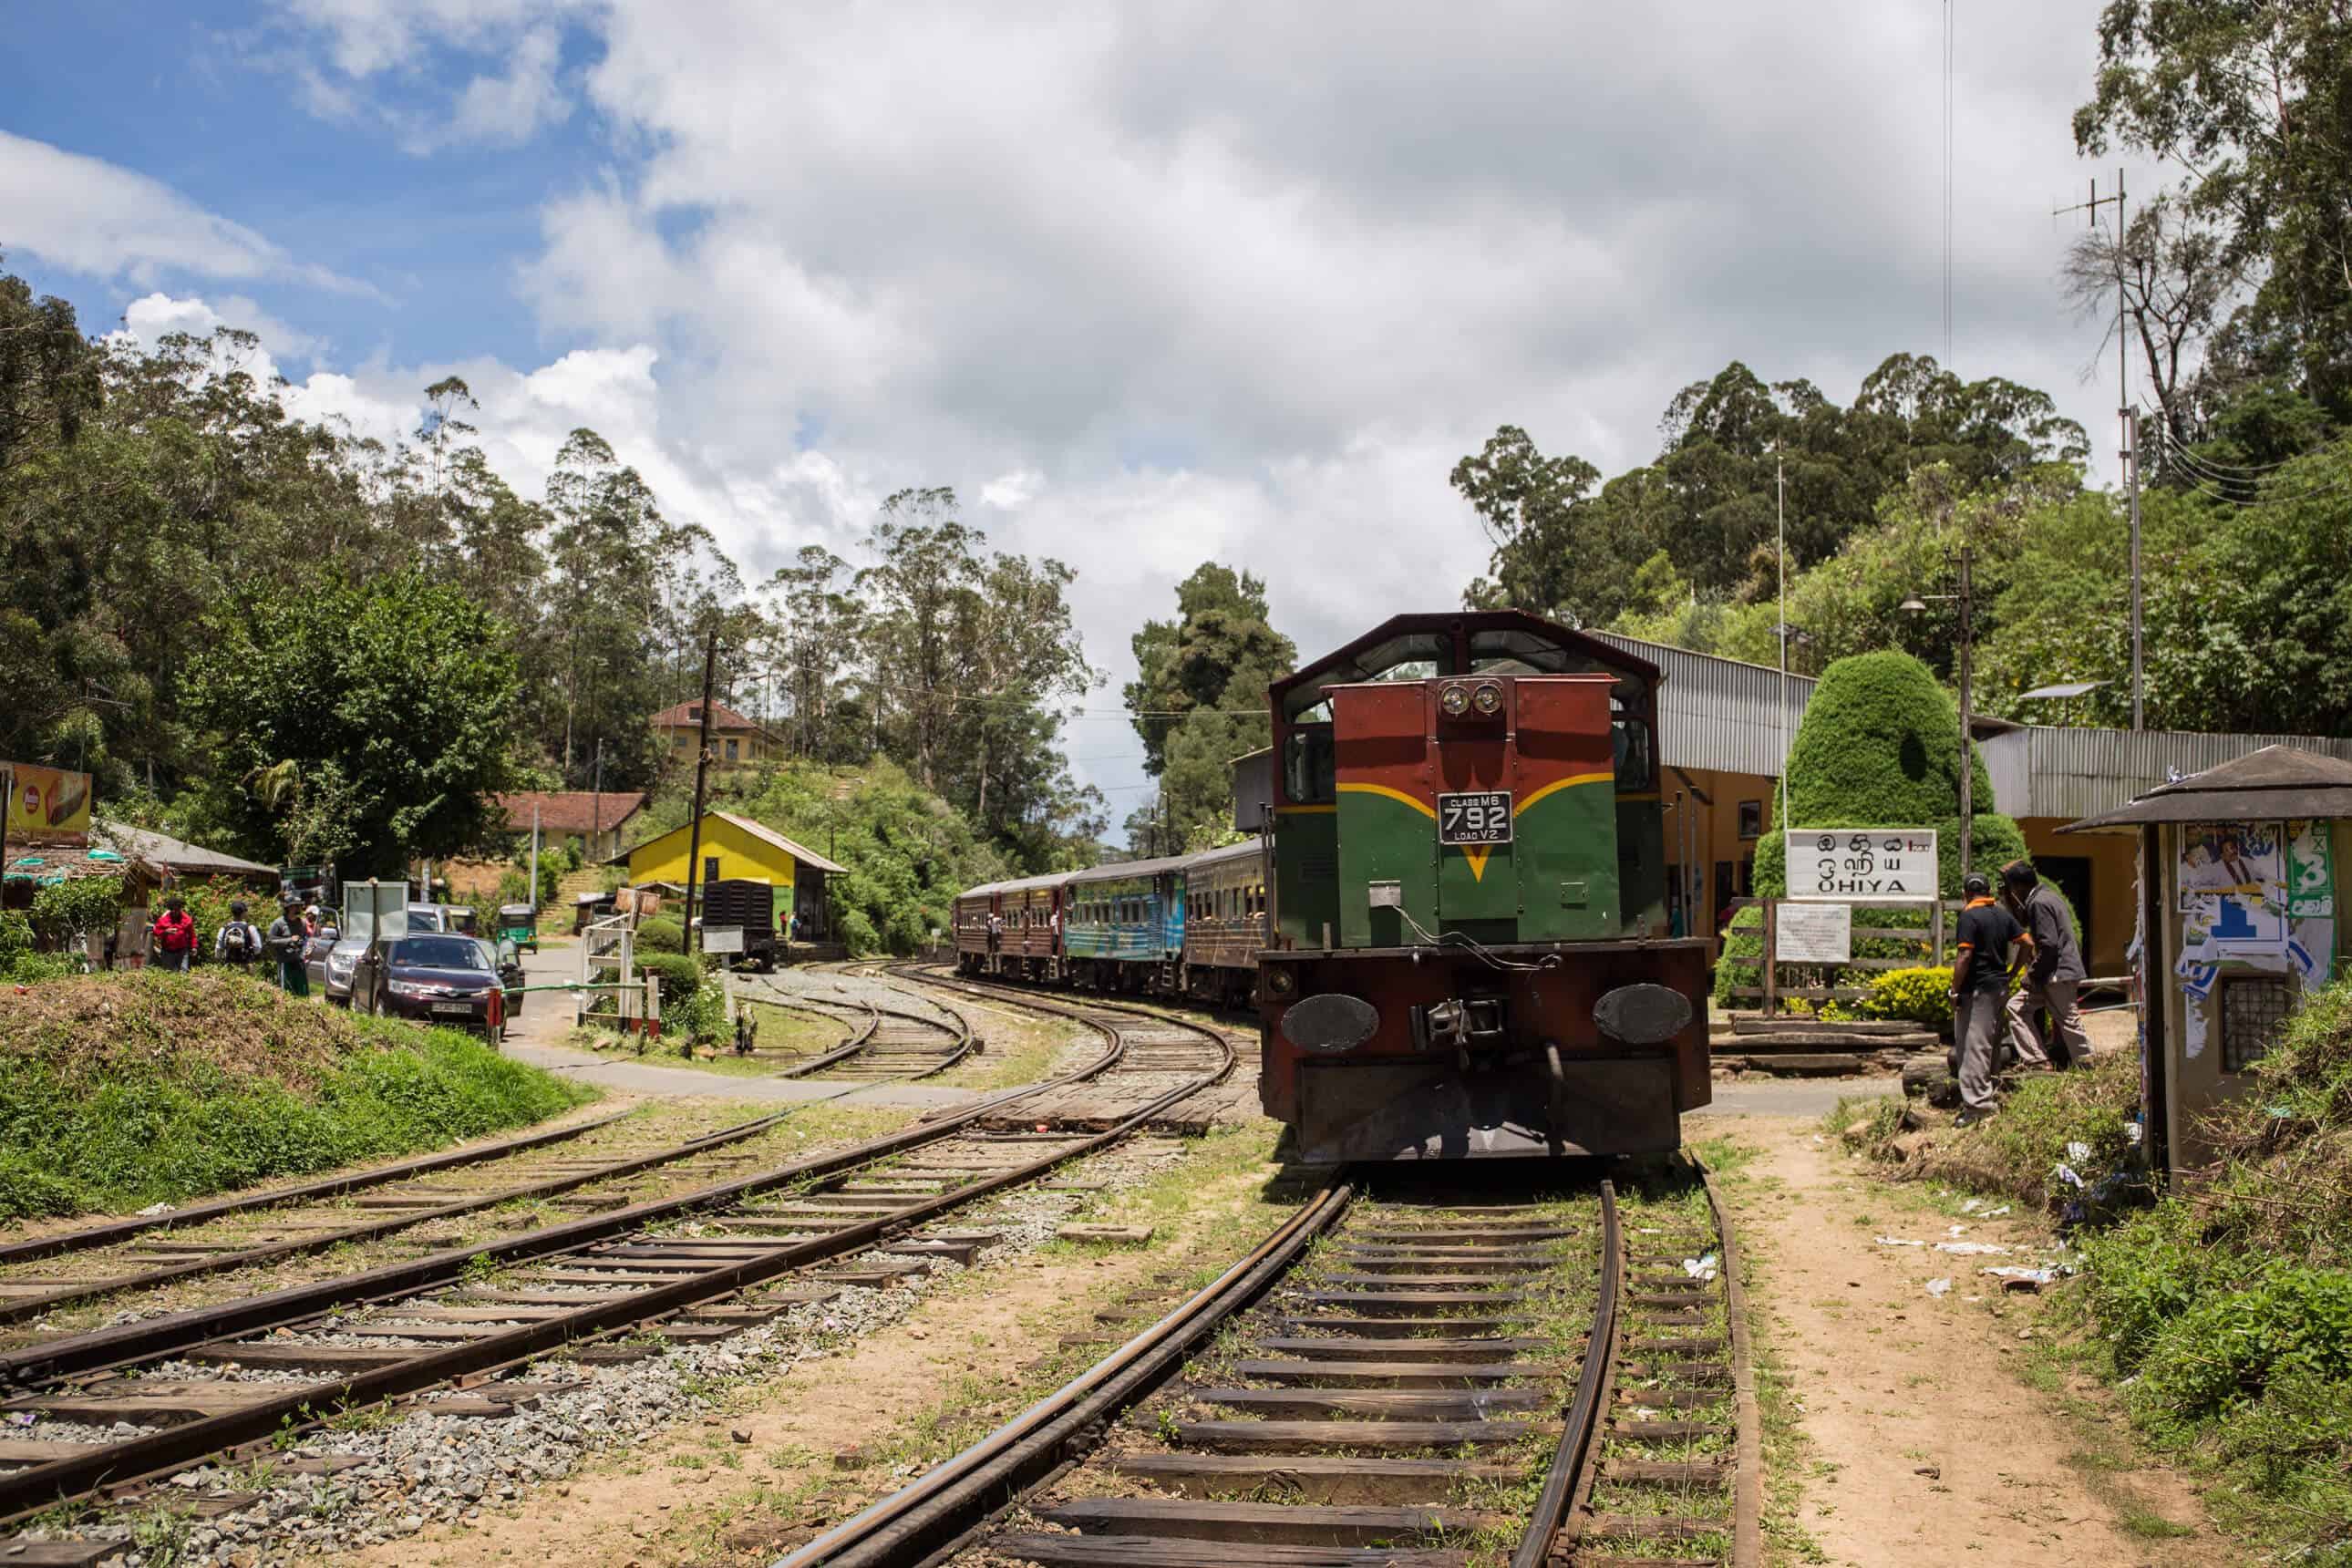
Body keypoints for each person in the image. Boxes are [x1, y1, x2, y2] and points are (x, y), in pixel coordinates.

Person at [1949, 871, 2032, 1128]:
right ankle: (1991, 1093)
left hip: (1977, 990)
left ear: (1966, 893)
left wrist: (1954, 990)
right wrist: (2013, 972)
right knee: (1992, 1043)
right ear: (1987, 891)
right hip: (1999, 987)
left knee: (1972, 1047)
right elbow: (2028, 943)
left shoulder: (1968, 916)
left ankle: (1978, 1107)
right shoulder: (2001, 914)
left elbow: (1964, 956)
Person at [2000, 861, 2090, 1071]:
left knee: (2068, 1020)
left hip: (2057, 973)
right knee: (2017, 1007)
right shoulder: (2049, 896)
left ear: (2018, 887)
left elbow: (2049, 945)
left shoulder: (2038, 903)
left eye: (2011, 888)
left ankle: (2087, 1065)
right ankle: (2037, 1060)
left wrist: (2032, 975)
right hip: (2056, 971)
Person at [267, 898, 311, 995]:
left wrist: (307, 949)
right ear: (289, 908)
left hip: (299, 962)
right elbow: (269, 941)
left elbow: (304, 939)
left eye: (300, 906)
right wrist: (289, 940)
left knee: (302, 993)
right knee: (287, 993)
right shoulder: (279, 923)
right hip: (285, 963)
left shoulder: (302, 923)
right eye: (296, 906)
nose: (299, 908)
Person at [149, 895, 197, 974]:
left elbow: (192, 935)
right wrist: (165, 932)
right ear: (170, 909)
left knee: (183, 973)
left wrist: (194, 947)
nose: (175, 912)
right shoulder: (163, 919)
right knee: (168, 973)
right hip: (167, 952)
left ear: (180, 909)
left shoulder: (187, 919)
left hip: (182, 952)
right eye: (173, 910)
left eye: (177, 910)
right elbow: (155, 931)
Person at [214, 900, 263, 973]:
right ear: (243, 913)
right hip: (247, 964)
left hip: (229, 965)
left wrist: (218, 959)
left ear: (232, 913)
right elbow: (258, 947)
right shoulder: (250, 928)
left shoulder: (224, 928)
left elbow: (218, 948)